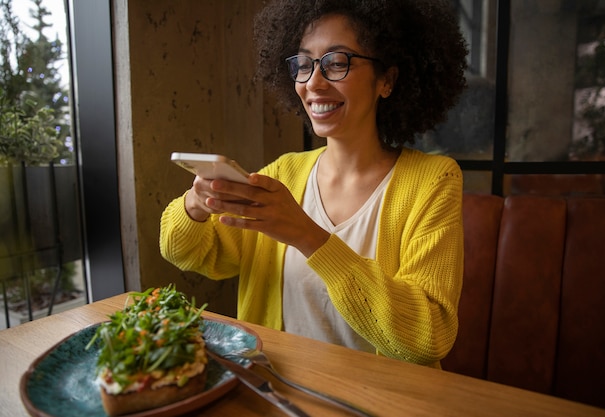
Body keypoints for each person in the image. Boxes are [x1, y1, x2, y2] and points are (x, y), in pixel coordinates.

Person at [160, 0, 467, 367]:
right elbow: (189, 253)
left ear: (387, 80)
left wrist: (309, 236)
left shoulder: (433, 181)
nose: (314, 83)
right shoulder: (282, 173)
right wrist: (195, 206)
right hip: (276, 393)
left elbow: (428, 336)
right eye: (303, 65)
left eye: (337, 63)